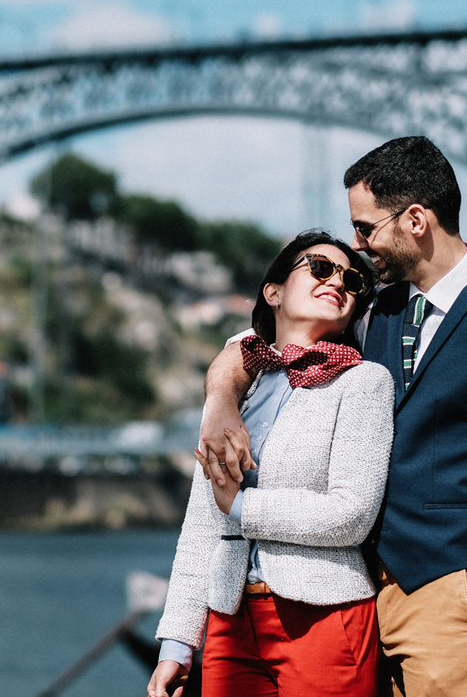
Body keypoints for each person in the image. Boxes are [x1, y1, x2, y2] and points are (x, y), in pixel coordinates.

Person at [198, 136, 467, 697]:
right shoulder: (375, 310)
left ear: (416, 220)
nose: (356, 244)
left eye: (365, 227)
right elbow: (258, 343)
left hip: (458, 595)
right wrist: (221, 401)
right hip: (367, 602)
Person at [148, 231, 395, 697]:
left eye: (351, 280)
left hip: (323, 615)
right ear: (273, 291)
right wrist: (177, 644)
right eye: (320, 268)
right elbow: (202, 522)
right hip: (229, 620)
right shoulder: (236, 387)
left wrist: (242, 507)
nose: (337, 282)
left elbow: (352, 514)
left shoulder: (364, 383)